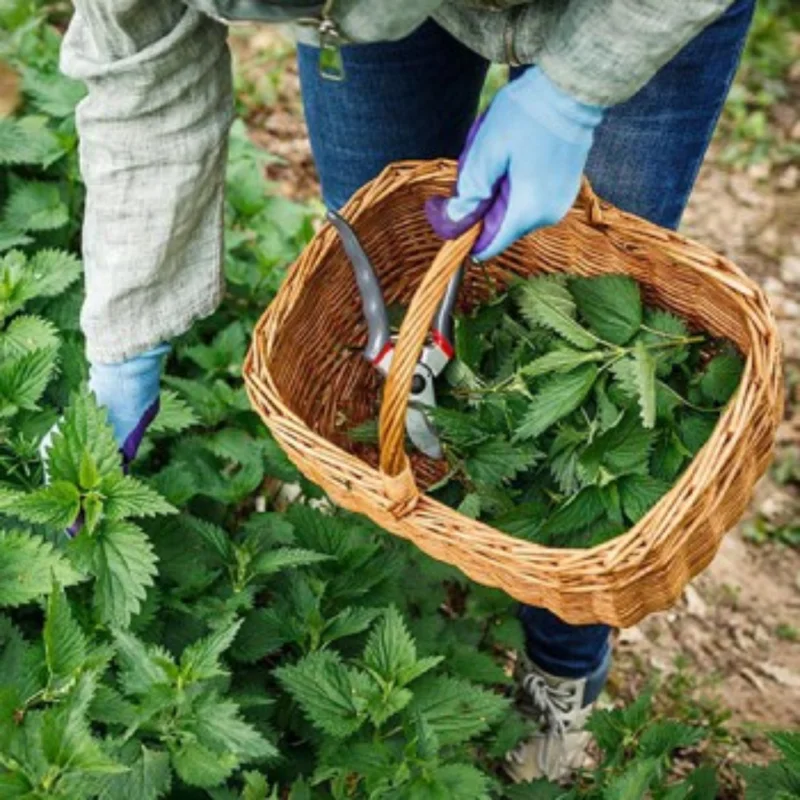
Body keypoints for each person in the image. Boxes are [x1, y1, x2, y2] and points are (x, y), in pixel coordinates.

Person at [56, 0, 755, 782]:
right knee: (387, 277)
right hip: (377, 17)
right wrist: (124, 340)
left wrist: (575, 90)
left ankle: (564, 660)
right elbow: (141, 76)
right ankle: (393, 567)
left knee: (605, 288)